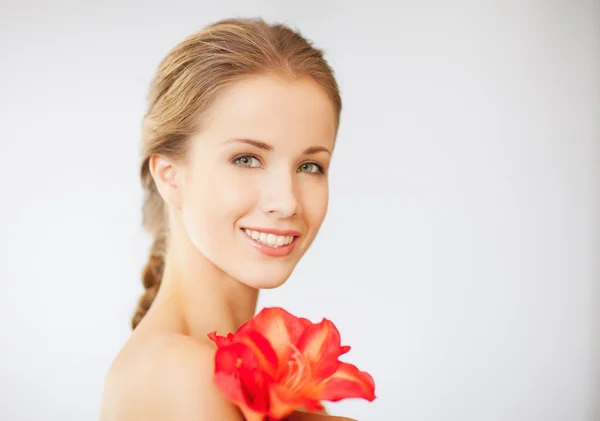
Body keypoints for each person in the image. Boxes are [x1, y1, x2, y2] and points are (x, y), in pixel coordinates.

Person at [99, 17, 355, 421]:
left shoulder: (250, 376)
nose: (287, 202)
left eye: (310, 166)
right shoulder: (182, 373)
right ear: (170, 175)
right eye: (247, 159)